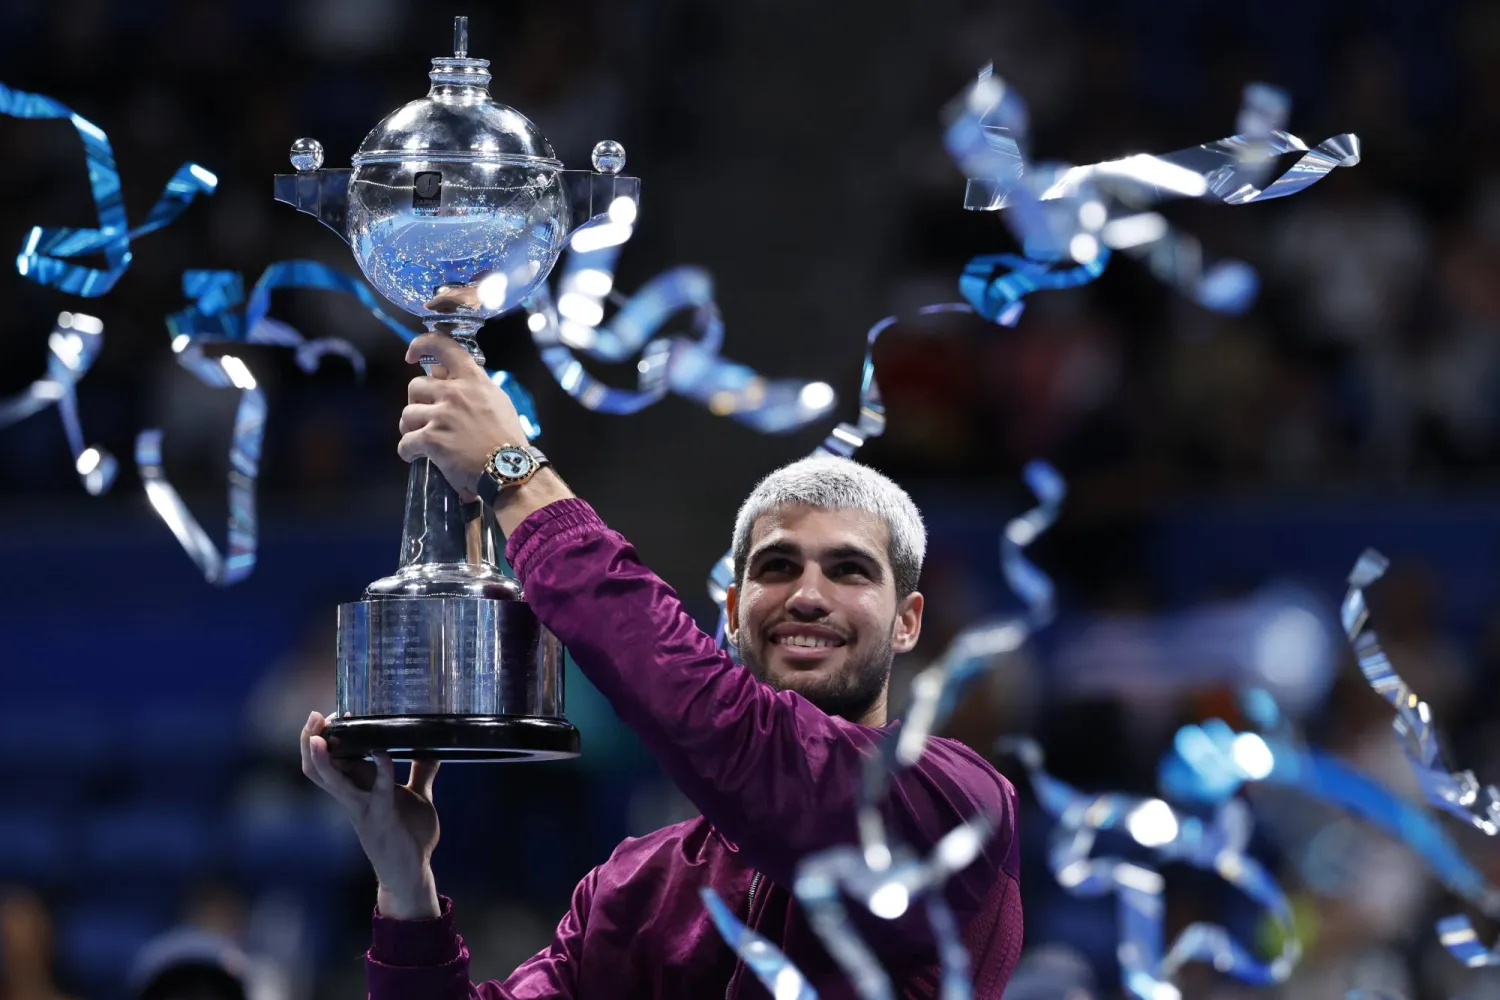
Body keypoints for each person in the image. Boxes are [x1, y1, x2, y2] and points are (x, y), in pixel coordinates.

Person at [299, 332, 1023, 998]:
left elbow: (724, 727)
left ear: (907, 622)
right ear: (735, 610)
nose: (807, 594)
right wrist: (404, 880)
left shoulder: (954, 807)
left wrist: (513, 473)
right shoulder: (635, 891)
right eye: (778, 567)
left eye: (849, 571)